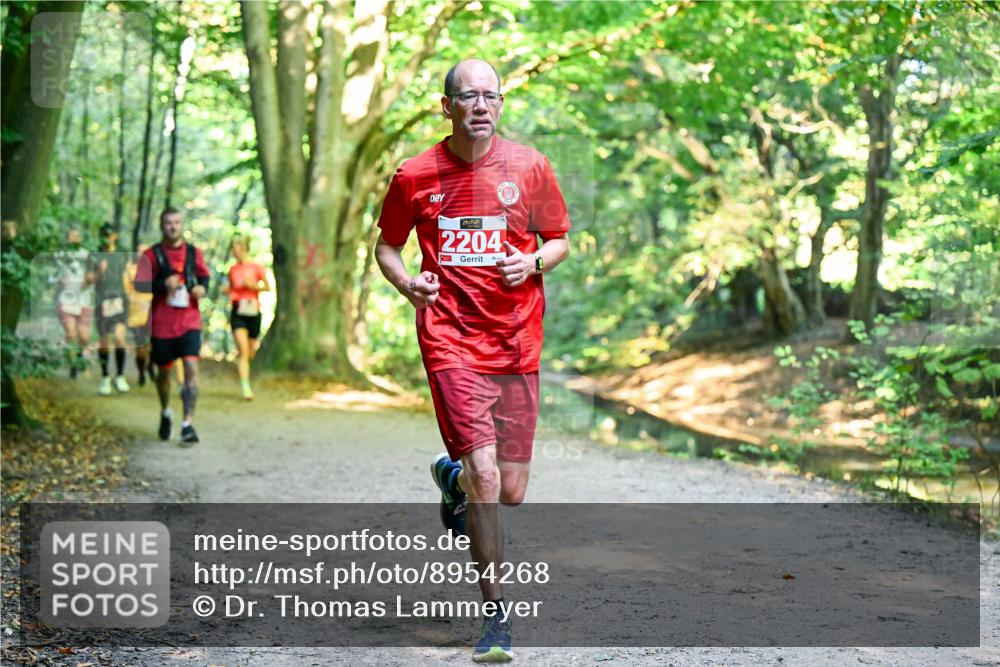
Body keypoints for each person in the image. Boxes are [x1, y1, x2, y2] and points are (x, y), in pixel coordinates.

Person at [374, 59, 571, 663]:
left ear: (501, 105)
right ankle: (496, 617)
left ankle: (451, 476)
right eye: (468, 96)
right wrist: (409, 284)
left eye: (490, 96)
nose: (480, 105)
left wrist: (534, 262)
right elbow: (387, 245)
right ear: (446, 106)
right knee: (488, 477)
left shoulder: (529, 167)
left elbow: (560, 239)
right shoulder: (415, 174)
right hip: (450, 340)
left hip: (515, 342)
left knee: (508, 490)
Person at [134, 207, 210, 445]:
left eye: (177, 222)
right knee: (164, 374)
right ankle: (166, 411)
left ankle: (188, 424)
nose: (173, 227)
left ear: (182, 224)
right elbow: (139, 285)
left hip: (189, 321)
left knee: (190, 368)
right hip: (162, 324)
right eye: (168, 223)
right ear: (161, 224)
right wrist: (162, 285)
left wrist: (201, 288)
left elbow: (204, 277)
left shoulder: (193, 253)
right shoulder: (151, 254)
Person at [222, 236, 269, 401]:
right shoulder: (232, 270)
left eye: (234, 248)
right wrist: (226, 290)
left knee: (250, 351)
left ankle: (244, 367)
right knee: (242, 349)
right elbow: (231, 288)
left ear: (242, 248)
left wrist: (254, 286)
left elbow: (267, 286)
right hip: (238, 311)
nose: (232, 252)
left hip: (253, 310)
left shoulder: (256, 267)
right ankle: (245, 387)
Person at [87, 224, 130, 395]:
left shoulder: (123, 252)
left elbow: (129, 274)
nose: (107, 238)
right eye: (103, 235)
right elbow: (88, 280)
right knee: (104, 340)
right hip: (102, 300)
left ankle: (119, 376)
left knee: (120, 338)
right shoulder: (94, 255)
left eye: (109, 235)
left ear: (115, 236)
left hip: (120, 300)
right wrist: (99, 271)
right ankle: (105, 377)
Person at [53, 227, 94, 379]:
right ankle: (70, 361)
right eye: (70, 235)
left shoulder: (86, 254)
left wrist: (90, 280)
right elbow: (50, 276)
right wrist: (58, 280)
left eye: (76, 236)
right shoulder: (60, 255)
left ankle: (78, 361)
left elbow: (92, 276)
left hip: (84, 301)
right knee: (71, 333)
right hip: (66, 300)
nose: (73, 238)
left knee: (84, 338)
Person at [124, 243, 154, 386]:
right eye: (139, 251)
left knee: (155, 345)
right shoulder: (130, 270)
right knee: (140, 346)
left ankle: (151, 365)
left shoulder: (154, 271)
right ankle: (142, 372)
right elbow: (126, 291)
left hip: (153, 313)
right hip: (136, 315)